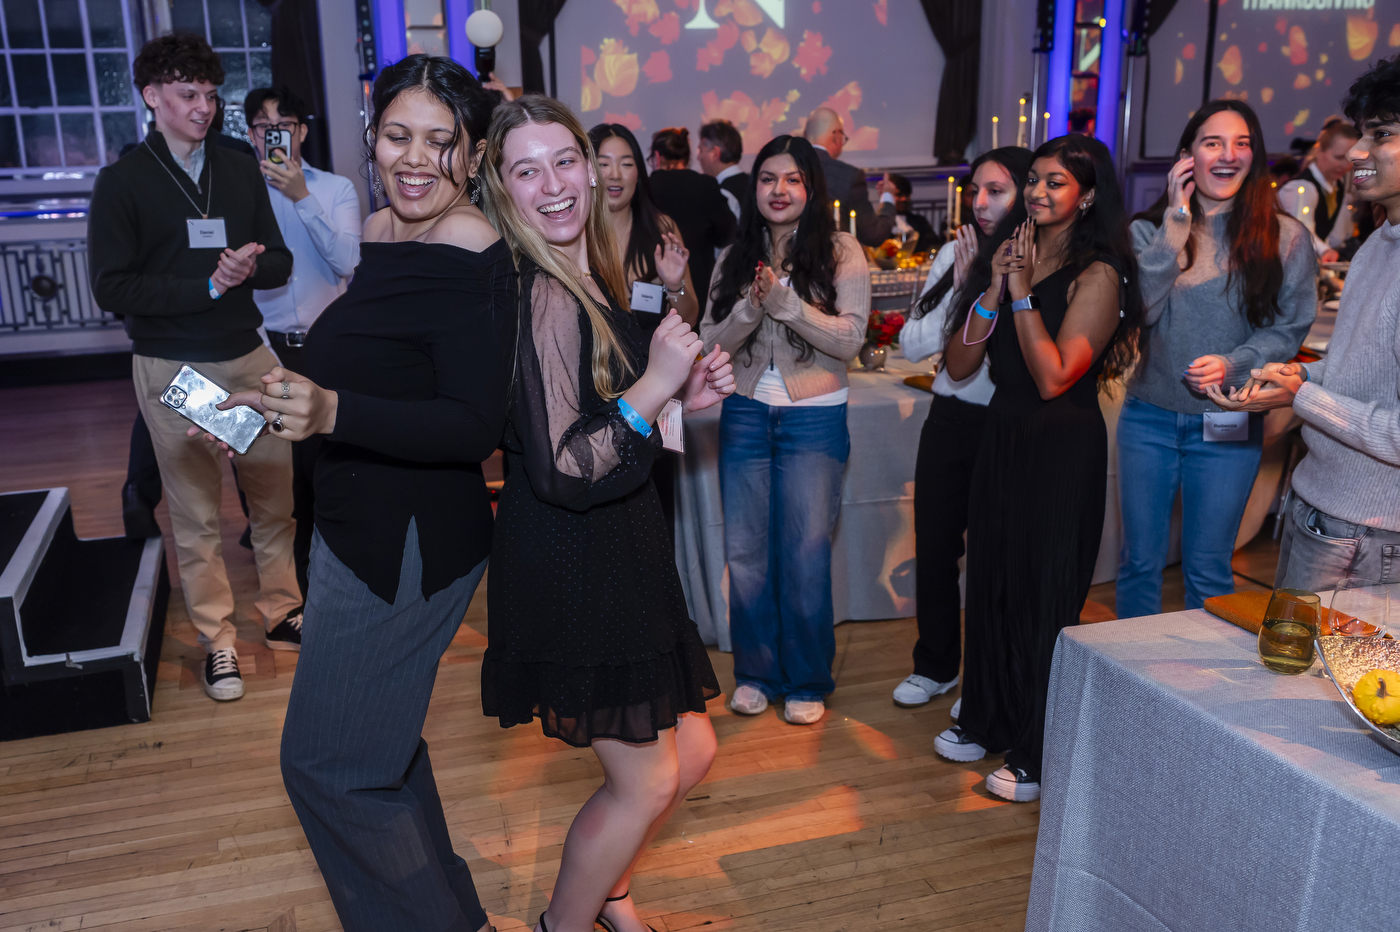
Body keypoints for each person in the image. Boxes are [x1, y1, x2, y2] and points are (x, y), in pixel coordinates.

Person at [198, 55, 516, 932]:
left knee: (327, 766)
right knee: (379, 755)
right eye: (398, 135)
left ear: (474, 154)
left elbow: (471, 427)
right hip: (353, 526)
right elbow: (356, 359)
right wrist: (256, 402)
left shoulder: (471, 249)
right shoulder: (383, 229)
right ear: (371, 136)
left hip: (407, 546)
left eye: (440, 142)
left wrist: (333, 408)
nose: (415, 160)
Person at [478, 95, 734, 932]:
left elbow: (604, 423)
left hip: (620, 543)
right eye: (527, 170)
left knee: (690, 749)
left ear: (591, 167)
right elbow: (562, 467)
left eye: (564, 161)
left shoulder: (584, 267)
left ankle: (608, 886)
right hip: (574, 553)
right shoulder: (542, 290)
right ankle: (566, 921)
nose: (552, 184)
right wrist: (658, 384)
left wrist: (680, 402)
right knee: (649, 778)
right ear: (502, 186)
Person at [88, 32, 297, 701]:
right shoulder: (124, 182)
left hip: (246, 354)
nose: (203, 108)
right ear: (151, 97)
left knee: (274, 496)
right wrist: (206, 286)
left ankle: (284, 611)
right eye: (187, 95)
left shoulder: (238, 168)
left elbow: (281, 263)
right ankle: (220, 642)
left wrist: (246, 268)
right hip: (176, 366)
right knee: (198, 514)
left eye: (210, 95)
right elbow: (111, 287)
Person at [936, 134, 1143, 803]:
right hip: (1003, 435)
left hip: (1061, 448)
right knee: (992, 585)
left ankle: (1036, 749)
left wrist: (1023, 291)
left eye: (1056, 182)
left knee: (1042, 598)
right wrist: (996, 285)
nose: (1037, 192)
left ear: (1086, 196)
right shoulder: (1010, 258)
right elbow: (959, 364)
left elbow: (1055, 377)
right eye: (1034, 179)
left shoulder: (1101, 274)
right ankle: (986, 716)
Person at [1115, 101, 1316, 619]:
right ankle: (1128, 683)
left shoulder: (1286, 236)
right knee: (1139, 562)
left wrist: (1235, 361)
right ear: (1186, 158)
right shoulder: (1148, 232)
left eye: (1241, 143)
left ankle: (1201, 692)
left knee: (1207, 566)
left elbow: (1290, 328)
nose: (1228, 155)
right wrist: (1176, 222)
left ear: (1255, 155)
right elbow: (1143, 312)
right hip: (1150, 417)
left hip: (1228, 418)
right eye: (1212, 143)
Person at [1208, 54, 1400, 593]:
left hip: (1366, 530)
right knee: (1286, 672)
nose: (1358, 152)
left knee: (1321, 680)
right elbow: (1356, 375)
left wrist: (1303, 398)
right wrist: (1292, 380)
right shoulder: (1377, 246)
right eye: (1361, 134)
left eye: (1380, 134)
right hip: (1322, 504)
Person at [701, 134, 869, 726]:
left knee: (803, 552)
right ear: (755, 188)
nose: (779, 190)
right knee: (746, 553)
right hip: (745, 412)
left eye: (792, 179)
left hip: (815, 417)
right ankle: (754, 673)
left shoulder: (842, 251)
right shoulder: (733, 254)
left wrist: (789, 305)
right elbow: (706, 346)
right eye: (768, 179)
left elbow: (851, 339)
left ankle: (805, 680)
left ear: (811, 188)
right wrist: (750, 306)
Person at [890, 147, 1032, 710]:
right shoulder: (955, 251)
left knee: (997, 555)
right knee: (936, 546)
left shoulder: (1037, 256)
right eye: (975, 190)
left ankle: (987, 678)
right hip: (949, 416)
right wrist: (964, 280)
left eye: (995, 191)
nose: (979, 202)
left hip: (1006, 421)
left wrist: (991, 281)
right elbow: (911, 346)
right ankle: (936, 664)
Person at [245, 85, 363, 600]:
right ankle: (289, 594)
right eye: (263, 127)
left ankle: (329, 583)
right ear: (250, 135)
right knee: (274, 479)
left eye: (284, 126)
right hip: (258, 344)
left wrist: (302, 198)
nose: (274, 135)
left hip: (324, 345)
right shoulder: (236, 192)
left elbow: (348, 264)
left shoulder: (335, 190)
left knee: (323, 470)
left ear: (301, 132)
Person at [590, 121, 699, 535]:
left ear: (641, 171)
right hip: (594, 399)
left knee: (654, 524)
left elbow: (688, 316)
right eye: (604, 163)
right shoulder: (570, 232)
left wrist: (674, 283)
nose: (615, 174)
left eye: (626, 163)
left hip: (654, 403)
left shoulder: (661, 228)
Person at [646, 126, 735, 316]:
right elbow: (726, 235)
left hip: (650, 289)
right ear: (687, 158)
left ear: (657, 157)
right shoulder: (707, 185)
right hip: (699, 286)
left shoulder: (645, 188)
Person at [803, 107, 895, 247]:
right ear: (836, 136)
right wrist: (887, 197)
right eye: (843, 138)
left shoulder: (787, 168)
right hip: (833, 262)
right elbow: (873, 234)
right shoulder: (849, 176)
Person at [1278, 120, 1361, 260]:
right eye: (1338, 157)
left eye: (1350, 159)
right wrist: (1324, 251)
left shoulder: (1337, 186)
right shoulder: (1301, 187)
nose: (1344, 165)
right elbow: (1300, 232)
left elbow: (1334, 237)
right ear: (1319, 150)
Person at [699, 119, 748, 219]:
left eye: (700, 151)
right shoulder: (755, 184)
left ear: (714, 153)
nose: (698, 157)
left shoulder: (723, 195)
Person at [888, 172, 937, 254]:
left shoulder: (920, 221)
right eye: (899, 195)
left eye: (907, 195)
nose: (904, 199)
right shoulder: (880, 223)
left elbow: (933, 243)